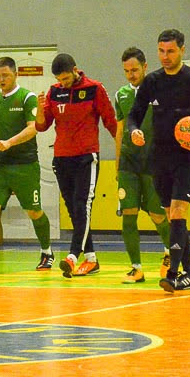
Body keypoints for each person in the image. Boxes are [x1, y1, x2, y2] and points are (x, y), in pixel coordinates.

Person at [127, 29, 190, 292]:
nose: (165, 57)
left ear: (182, 50)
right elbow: (135, 114)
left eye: (171, 51)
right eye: (161, 51)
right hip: (159, 156)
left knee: (179, 210)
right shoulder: (152, 82)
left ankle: (174, 273)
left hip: (187, 156)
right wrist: (135, 130)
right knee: (170, 215)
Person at [0, 56, 54, 274]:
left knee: (33, 211)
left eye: (5, 75)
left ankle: (47, 252)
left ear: (16, 74)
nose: (1, 79)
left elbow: (34, 128)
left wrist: (10, 141)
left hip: (24, 165)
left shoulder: (27, 98)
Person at [36, 53, 118, 278]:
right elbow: (42, 127)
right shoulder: (54, 92)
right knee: (73, 208)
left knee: (83, 205)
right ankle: (91, 259)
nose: (63, 83)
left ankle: (72, 256)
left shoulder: (94, 89)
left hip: (86, 157)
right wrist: (39, 109)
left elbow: (111, 122)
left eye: (65, 78)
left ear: (75, 69)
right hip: (62, 157)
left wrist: (122, 152)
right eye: (59, 79)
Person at [114, 47, 171, 283]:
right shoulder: (121, 95)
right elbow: (119, 130)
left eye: (135, 70)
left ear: (145, 67)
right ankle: (136, 267)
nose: (131, 75)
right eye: (127, 71)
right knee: (129, 213)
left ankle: (170, 254)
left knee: (157, 214)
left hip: (154, 162)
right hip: (128, 162)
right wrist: (117, 165)